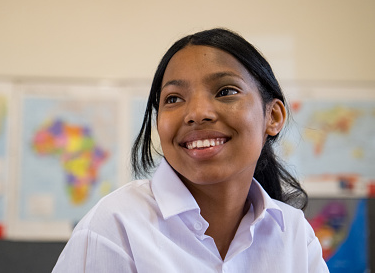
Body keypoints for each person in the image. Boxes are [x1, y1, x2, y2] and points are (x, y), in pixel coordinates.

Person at [52, 28, 329, 272]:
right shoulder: (115, 226)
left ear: (274, 116)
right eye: (173, 99)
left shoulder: (295, 235)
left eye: (225, 91)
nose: (197, 113)